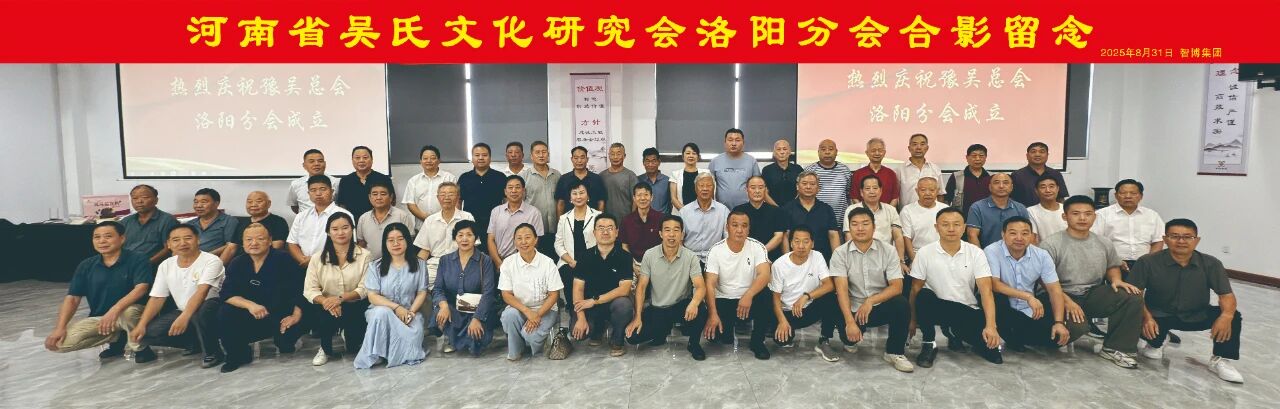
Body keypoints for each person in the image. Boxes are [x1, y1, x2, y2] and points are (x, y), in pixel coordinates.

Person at [1040, 195, 1146, 369]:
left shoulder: (1103, 242)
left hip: (1092, 294)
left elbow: (1112, 265)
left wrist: (1116, 280)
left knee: (1131, 295)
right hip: (1060, 295)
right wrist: (1067, 301)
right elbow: (1045, 281)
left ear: (1094, 217)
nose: (1082, 218)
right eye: (1076, 214)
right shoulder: (1051, 244)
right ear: (1065, 216)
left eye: (1088, 214)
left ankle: (1115, 348)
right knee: (1077, 328)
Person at [1132, 219, 1243, 383]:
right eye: (1174, 236)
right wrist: (1147, 317)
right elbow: (1135, 294)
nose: (1181, 241)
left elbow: (1226, 295)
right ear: (1165, 239)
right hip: (1158, 316)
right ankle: (1157, 342)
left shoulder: (1211, 263)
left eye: (1187, 237)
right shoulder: (1147, 262)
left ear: (1196, 240)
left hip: (1196, 314)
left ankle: (1221, 359)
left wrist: (1226, 316)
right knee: (1150, 349)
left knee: (1232, 316)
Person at [909, 207, 1003, 367]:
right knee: (924, 295)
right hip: (937, 308)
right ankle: (929, 343)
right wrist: (912, 319)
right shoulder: (925, 252)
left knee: (994, 354)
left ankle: (953, 332)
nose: (951, 229)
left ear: (964, 227)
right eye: (945, 224)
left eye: (956, 224)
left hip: (966, 309)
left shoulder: (976, 253)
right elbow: (915, 290)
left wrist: (990, 326)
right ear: (936, 227)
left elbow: (986, 291)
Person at [44, 222, 151, 360]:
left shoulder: (138, 258)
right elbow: (73, 298)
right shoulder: (86, 265)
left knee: (128, 313)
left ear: (122, 238)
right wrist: (60, 327)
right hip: (101, 318)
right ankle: (117, 339)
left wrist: (114, 310)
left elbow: (141, 288)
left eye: (108, 236)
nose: (102, 241)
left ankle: (141, 349)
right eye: (97, 237)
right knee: (59, 344)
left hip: (134, 313)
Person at [215, 223, 307, 373]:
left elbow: (300, 290)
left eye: (260, 239)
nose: (254, 243)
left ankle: (287, 339)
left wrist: (295, 316)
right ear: (243, 243)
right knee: (225, 311)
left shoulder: (284, 259)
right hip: (254, 313)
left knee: (285, 344)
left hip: (282, 313)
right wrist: (250, 305)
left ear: (270, 240)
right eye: (249, 239)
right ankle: (236, 355)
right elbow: (227, 294)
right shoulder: (237, 263)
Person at [831, 208, 913, 372]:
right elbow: (841, 290)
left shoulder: (888, 250)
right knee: (848, 336)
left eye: (865, 224)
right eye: (855, 224)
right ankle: (850, 339)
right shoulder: (840, 253)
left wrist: (871, 301)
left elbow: (897, 286)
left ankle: (894, 352)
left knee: (901, 303)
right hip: (853, 308)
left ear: (874, 227)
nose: (860, 228)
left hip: (879, 305)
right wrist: (850, 322)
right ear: (849, 228)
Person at [132, 224, 225, 366]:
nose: (182, 243)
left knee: (202, 311)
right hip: (183, 310)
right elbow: (157, 297)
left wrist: (184, 317)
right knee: (147, 335)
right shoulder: (166, 265)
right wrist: (141, 325)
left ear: (197, 240)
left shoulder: (211, 260)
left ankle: (213, 353)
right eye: (176, 240)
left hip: (212, 307)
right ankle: (195, 342)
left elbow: (202, 292)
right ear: (168, 244)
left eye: (188, 238)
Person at [625, 215, 710, 361]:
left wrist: (694, 303)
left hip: (680, 307)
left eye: (676, 230)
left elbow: (700, 286)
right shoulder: (650, 255)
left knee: (701, 309)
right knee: (632, 337)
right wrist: (637, 317)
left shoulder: (690, 256)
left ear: (682, 234)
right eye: (667, 230)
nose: (671, 234)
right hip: (658, 308)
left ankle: (694, 344)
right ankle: (661, 332)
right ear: (660, 233)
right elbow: (641, 287)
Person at [984, 217, 1075, 352]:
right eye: (1013, 233)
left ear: (1032, 236)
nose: (1019, 238)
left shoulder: (1042, 255)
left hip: (1030, 309)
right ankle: (1012, 335)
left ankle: (1020, 335)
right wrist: (1028, 297)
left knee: (1054, 339)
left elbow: (1054, 290)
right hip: (1002, 306)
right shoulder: (992, 251)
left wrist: (1059, 322)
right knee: (997, 299)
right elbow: (994, 284)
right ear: (1003, 235)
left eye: (1025, 233)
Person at [355, 223, 429, 369]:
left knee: (413, 336)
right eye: (391, 240)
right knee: (382, 312)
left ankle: (389, 353)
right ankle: (376, 353)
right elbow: (372, 296)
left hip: (409, 312)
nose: (396, 244)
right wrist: (396, 308)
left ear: (407, 241)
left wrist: (410, 312)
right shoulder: (375, 266)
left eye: (400, 239)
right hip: (381, 312)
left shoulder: (419, 265)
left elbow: (422, 292)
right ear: (385, 243)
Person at [302, 212, 371, 366]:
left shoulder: (365, 255)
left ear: (352, 229)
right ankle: (324, 349)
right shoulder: (317, 258)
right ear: (328, 232)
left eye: (345, 228)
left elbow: (365, 288)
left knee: (353, 346)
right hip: (326, 306)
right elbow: (310, 289)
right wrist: (327, 302)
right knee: (324, 316)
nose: (340, 232)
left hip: (354, 303)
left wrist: (340, 299)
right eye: (335, 229)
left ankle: (348, 334)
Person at [703, 211, 774, 360]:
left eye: (744, 226)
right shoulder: (716, 250)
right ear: (727, 227)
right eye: (735, 225)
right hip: (724, 299)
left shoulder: (757, 247)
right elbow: (709, 284)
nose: (739, 230)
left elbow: (765, 274)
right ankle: (727, 329)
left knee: (767, 294)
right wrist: (712, 314)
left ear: (749, 229)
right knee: (716, 338)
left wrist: (748, 295)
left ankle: (757, 342)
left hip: (749, 299)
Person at [769, 226, 843, 362]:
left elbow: (829, 285)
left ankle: (824, 340)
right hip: (788, 312)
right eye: (797, 241)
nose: (801, 246)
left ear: (812, 244)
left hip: (809, 308)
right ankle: (784, 329)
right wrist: (782, 321)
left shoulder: (817, 256)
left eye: (806, 241)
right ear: (791, 243)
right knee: (781, 340)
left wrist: (806, 296)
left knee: (831, 296)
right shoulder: (779, 265)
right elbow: (775, 298)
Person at [569, 214, 635, 357]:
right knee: (578, 333)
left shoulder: (624, 256)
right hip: (589, 306)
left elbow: (624, 289)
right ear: (594, 233)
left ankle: (617, 338)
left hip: (612, 304)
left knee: (624, 305)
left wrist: (594, 300)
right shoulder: (584, 256)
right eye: (601, 228)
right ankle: (597, 329)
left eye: (610, 228)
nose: (605, 232)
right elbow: (578, 289)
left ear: (616, 232)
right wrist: (581, 318)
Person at [431, 220, 499, 356]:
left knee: (476, 343)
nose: (464, 239)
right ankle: (450, 338)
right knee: (441, 309)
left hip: (477, 310)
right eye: (460, 235)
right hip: (454, 311)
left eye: (469, 235)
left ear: (476, 238)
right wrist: (444, 306)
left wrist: (477, 318)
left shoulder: (485, 260)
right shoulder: (445, 260)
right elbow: (437, 289)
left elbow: (488, 293)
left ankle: (461, 338)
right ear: (455, 238)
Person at [499, 223, 563, 360]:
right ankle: (516, 351)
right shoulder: (508, 263)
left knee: (530, 335)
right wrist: (527, 312)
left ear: (535, 239)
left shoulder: (547, 263)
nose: (523, 242)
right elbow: (506, 294)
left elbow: (554, 295)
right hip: (520, 309)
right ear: (514, 241)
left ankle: (534, 343)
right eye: (519, 238)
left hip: (545, 309)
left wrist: (537, 314)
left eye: (527, 237)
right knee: (509, 315)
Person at [413, 182, 474, 292]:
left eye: (451, 194)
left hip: (461, 263)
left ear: (458, 197)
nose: (446, 197)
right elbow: (425, 250)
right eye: (443, 194)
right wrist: (415, 270)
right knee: (418, 284)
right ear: (438, 197)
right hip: (435, 264)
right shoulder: (430, 220)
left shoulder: (467, 217)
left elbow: (472, 247)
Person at [1093, 179, 1165, 270]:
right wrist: (1114, 260)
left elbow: (1158, 241)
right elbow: (1095, 241)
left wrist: (1149, 262)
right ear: (1116, 195)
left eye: (1133, 193)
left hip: (1146, 264)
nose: (1128, 196)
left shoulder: (1152, 215)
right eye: (1123, 193)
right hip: (1112, 264)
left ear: (1141, 196)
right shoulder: (1102, 214)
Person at [844, 175, 907, 271]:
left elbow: (898, 236)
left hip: (886, 257)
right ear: (861, 192)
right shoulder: (851, 210)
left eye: (875, 188)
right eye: (867, 188)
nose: (872, 191)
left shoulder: (890, 210)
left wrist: (900, 260)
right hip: (860, 257)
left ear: (881, 191)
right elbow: (849, 236)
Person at [286, 175, 353, 266]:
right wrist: (303, 260)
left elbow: (348, 245)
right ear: (308, 193)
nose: (318, 193)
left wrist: (314, 261)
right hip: (304, 265)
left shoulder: (344, 215)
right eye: (313, 190)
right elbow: (292, 242)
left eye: (323, 189)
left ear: (332, 191)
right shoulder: (301, 216)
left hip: (332, 266)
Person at [554, 181, 602, 306]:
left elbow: (603, 241)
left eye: (582, 193)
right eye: (574, 193)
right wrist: (571, 261)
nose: (578, 196)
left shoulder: (598, 216)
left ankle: (591, 307)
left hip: (593, 260)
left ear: (588, 195)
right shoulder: (564, 218)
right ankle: (573, 309)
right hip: (570, 262)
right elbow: (558, 244)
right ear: (570, 198)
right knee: (568, 274)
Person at [781, 170, 841, 261]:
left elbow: (833, 235)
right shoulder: (787, 209)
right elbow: (785, 237)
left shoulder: (827, 209)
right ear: (797, 186)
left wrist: (837, 261)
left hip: (823, 260)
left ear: (818, 188)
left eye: (812, 184)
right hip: (796, 260)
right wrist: (787, 261)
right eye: (804, 183)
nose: (808, 187)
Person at [458, 143, 507, 254]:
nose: (480, 158)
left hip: (495, 224)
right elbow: (458, 201)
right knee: (472, 255)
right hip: (471, 224)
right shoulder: (464, 178)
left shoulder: (500, 177)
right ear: (472, 158)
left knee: (493, 254)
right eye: (477, 155)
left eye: (484, 155)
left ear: (490, 158)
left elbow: (506, 201)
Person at [488, 175, 545, 269]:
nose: (514, 191)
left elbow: (536, 241)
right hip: (499, 262)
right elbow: (491, 239)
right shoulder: (496, 211)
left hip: (523, 264)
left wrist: (522, 262)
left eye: (517, 187)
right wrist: (498, 263)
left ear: (523, 191)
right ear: (505, 191)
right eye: (510, 187)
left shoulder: (534, 213)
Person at [518, 141, 562, 259]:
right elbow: (520, 203)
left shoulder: (557, 175)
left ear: (548, 155)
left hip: (555, 228)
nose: (541, 155)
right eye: (537, 152)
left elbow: (561, 201)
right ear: (532, 156)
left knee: (554, 260)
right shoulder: (524, 176)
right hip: (533, 229)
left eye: (544, 152)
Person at [966, 173, 1031, 248]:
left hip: (1016, 253)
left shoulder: (1021, 208)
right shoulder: (977, 207)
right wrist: (980, 255)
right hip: (986, 253)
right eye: (996, 182)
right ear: (990, 187)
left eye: (1006, 183)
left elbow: (1027, 234)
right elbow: (972, 235)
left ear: (1011, 187)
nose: (1001, 186)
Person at [120, 184, 178, 265]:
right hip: (127, 265)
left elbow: (169, 248)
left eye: (145, 197)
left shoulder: (167, 220)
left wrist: (146, 264)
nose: (139, 201)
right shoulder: (125, 221)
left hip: (153, 266)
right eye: (135, 198)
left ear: (156, 200)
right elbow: (117, 245)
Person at [355, 181, 416, 259]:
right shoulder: (363, 218)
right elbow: (361, 243)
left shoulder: (402, 216)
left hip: (396, 263)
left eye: (383, 194)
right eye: (375, 194)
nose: (379, 197)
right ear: (370, 197)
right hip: (370, 263)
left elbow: (409, 241)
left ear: (391, 197)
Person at [677, 172, 729, 263]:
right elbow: (679, 240)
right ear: (695, 188)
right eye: (701, 185)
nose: (705, 189)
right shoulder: (684, 212)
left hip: (715, 259)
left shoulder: (723, 211)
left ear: (714, 188)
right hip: (689, 259)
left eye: (709, 185)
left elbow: (728, 238)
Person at [335, 145, 393, 222]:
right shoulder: (345, 181)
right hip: (353, 222)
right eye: (357, 158)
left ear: (372, 160)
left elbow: (392, 201)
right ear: (352, 160)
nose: (361, 161)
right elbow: (342, 205)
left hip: (380, 221)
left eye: (365, 157)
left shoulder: (384, 179)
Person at [733, 176, 786, 260]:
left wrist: (761, 252)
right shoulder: (738, 211)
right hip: (744, 256)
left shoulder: (776, 211)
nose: (757, 191)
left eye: (761, 187)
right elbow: (734, 235)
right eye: (753, 188)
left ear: (765, 190)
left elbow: (778, 237)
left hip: (771, 257)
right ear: (746, 190)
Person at [805, 139, 853, 230]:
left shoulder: (844, 170)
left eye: (830, 149)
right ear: (818, 152)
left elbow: (848, 193)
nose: (827, 152)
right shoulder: (809, 170)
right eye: (823, 149)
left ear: (836, 152)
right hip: (815, 223)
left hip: (840, 224)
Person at [708, 128, 761, 209]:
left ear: (743, 143)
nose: (733, 143)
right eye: (730, 140)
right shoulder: (715, 161)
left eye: (737, 140)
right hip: (722, 209)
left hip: (747, 209)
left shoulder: (751, 161)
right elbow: (709, 186)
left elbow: (758, 186)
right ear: (725, 142)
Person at [403, 145, 457, 223]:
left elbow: (455, 201)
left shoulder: (449, 178)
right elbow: (410, 204)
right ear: (420, 161)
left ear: (439, 161)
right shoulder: (413, 180)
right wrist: (427, 219)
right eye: (425, 158)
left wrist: (443, 219)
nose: (429, 161)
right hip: (422, 224)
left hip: (446, 223)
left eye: (433, 158)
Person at [185, 188, 239, 265]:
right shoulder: (189, 224)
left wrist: (206, 258)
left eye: (204, 202)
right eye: (196, 202)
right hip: (188, 261)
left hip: (212, 262)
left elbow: (230, 246)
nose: (199, 206)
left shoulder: (228, 221)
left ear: (216, 203)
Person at [229, 191, 289, 258]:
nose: (253, 205)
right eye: (249, 202)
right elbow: (231, 248)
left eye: (259, 201)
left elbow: (276, 248)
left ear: (269, 204)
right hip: (241, 260)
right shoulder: (242, 222)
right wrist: (220, 263)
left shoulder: (278, 221)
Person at [900, 177, 945, 261]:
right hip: (918, 254)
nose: (927, 193)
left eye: (932, 190)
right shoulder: (907, 210)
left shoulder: (945, 209)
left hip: (943, 254)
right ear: (917, 191)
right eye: (923, 190)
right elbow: (906, 237)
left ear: (938, 191)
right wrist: (914, 260)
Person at [1011, 142, 1069, 207]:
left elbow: (1061, 198)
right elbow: (1012, 199)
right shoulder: (1017, 175)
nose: (1037, 154)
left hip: (1051, 212)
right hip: (1025, 212)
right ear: (1027, 156)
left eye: (1042, 152)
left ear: (1047, 155)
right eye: (1033, 152)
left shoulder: (1055, 174)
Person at [555, 145, 607, 216]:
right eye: (576, 158)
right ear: (572, 159)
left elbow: (601, 202)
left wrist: (599, 219)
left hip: (592, 220)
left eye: (582, 157)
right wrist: (560, 221)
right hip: (569, 220)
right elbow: (560, 203)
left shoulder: (596, 179)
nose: (579, 161)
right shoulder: (564, 179)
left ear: (587, 159)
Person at [620, 183, 664, 266]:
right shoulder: (626, 220)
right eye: (639, 195)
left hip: (657, 263)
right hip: (634, 264)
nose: (643, 198)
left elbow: (665, 244)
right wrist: (633, 265)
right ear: (634, 198)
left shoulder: (662, 218)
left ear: (652, 197)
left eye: (646, 195)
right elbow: (624, 246)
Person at [943, 144, 992, 215]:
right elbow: (947, 199)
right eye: (974, 156)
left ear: (985, 157)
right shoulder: (956, 176)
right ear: (967, 157)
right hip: (963, 218)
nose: (977, 159)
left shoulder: (992, 177)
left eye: (981, 156)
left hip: (987, 217)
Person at [898, 133, 945, 208]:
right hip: (908, 212)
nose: (919, 147)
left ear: (927, 148)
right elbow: (895, 196)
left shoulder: (935, 168)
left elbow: (940, 194)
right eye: (915, 144)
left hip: (932, 212)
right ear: (909, 148)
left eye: (922, 144)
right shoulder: (900, 170)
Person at [851, 138, 900, 207]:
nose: (877, 153)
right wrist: (864, 211)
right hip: (864, 213)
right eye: (873, 151)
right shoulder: (858, 174)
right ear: (867, 153)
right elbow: (854, 197)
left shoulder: (891, 174)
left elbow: (895, 198)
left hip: (887, 212)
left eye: (880, 150)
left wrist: (887, 211)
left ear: (884, 153)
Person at [288, 149, 339, 214]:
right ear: (304, 165)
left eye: (320, 161)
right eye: (311, 161)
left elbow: (340, 204)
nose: (316, 164)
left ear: (325, 164)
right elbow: (294, 206)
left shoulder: (336, 182)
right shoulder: (296, 184)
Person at [600, 143, 638, 219]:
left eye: (618, 154)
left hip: (626, 220)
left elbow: (636, 200)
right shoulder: (601, 176)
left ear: (624, 156)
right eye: (612, 154)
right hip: (607, 221)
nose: (615, 157)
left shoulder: (631, 176)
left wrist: (632, 219)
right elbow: (599, 201)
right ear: (609, 156)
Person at [761, 139, 802, 207]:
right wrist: (776, 207)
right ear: (774, 153)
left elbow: (801, 190)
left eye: (785, 149)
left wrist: (791, 206)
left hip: (795, 208)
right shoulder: (767, 170)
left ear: (789, 152)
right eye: (778, 149)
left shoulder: (798, 169)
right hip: (772, 208)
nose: (782, 152)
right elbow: (764, 192)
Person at [1027, 174, 1067, 242]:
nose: (1048, 190)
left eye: (1051, 186)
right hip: (1043, 248)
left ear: (1058, 189)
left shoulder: (1067, 209)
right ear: (1036, 191)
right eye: (1043, 187)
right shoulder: (1030, 211)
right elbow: (1033, 239)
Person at [637, 147, 676, 214]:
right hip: (644, 219)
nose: (650, 164)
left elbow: (671, 203)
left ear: (659, 162)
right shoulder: (638, 180)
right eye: (647, 161)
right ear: (643, 163)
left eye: (653, 161)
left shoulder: (667, 181)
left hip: (663, 219)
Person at [670, 142, 708, 211]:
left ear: (698, 157)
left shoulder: (706, 173)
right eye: (688, 153)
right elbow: (673, 198)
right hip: (681, 213)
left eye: (694, 153)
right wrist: (686, 212)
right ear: (683, 156)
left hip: (702, 212)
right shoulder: (675, 174)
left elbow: (710, 196)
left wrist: (701, 212)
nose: (691, 156)